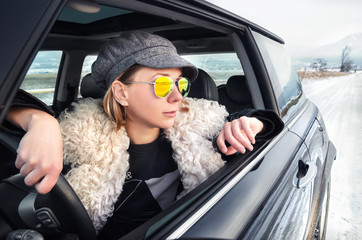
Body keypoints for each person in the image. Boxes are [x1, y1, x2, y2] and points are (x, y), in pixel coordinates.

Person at [7, 31, 283, 238]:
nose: (177, 97)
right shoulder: (78, 138)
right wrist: (40, 121)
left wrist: (251, 124)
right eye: (162, 85)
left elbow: (267, 122)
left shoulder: (199, 130)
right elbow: (7, 98)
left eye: (181, 84)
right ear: (121, 93)